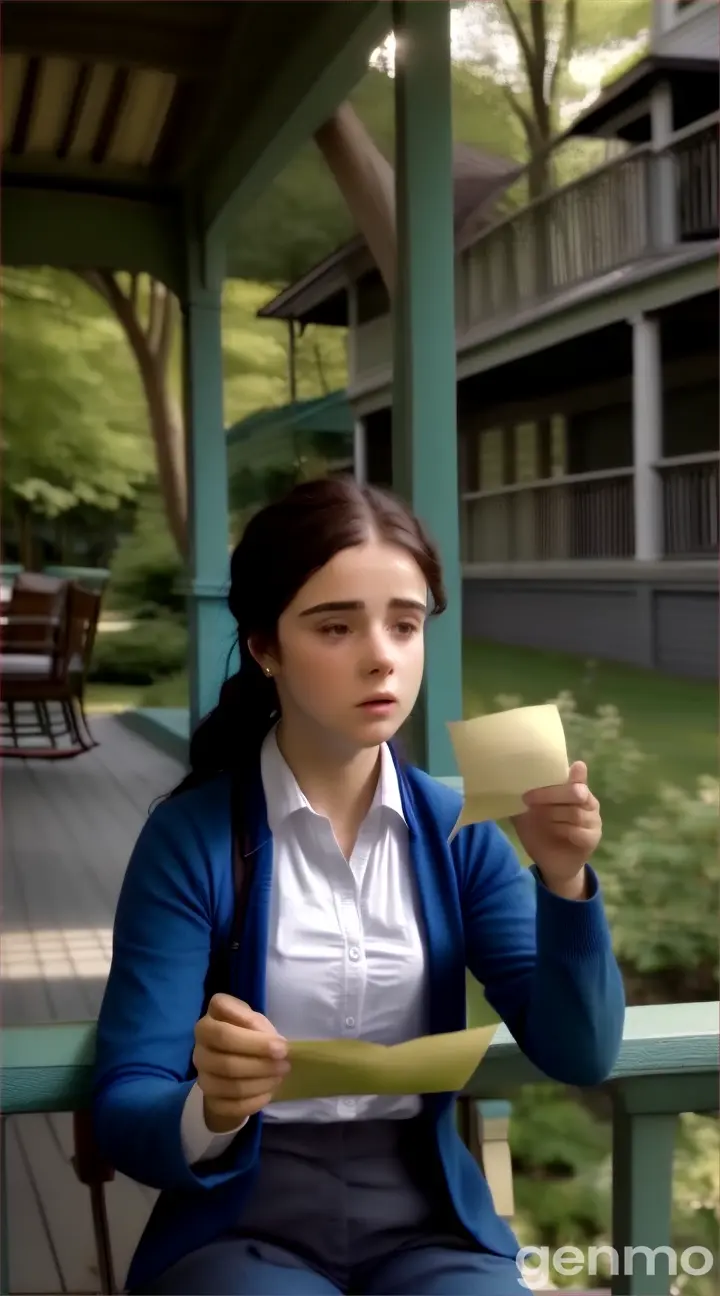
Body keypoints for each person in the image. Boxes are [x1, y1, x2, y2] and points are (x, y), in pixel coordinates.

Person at [93, 476, 625, 1296]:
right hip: (241, 1227)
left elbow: (580, 1053)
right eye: (335, 625)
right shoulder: (191, 839)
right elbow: (127, 1106)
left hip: (430, 1222)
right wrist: (212, 1105)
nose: (382, 654)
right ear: (265, 646)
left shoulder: (463, 833)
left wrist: (562, 877)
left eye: (405, 625)